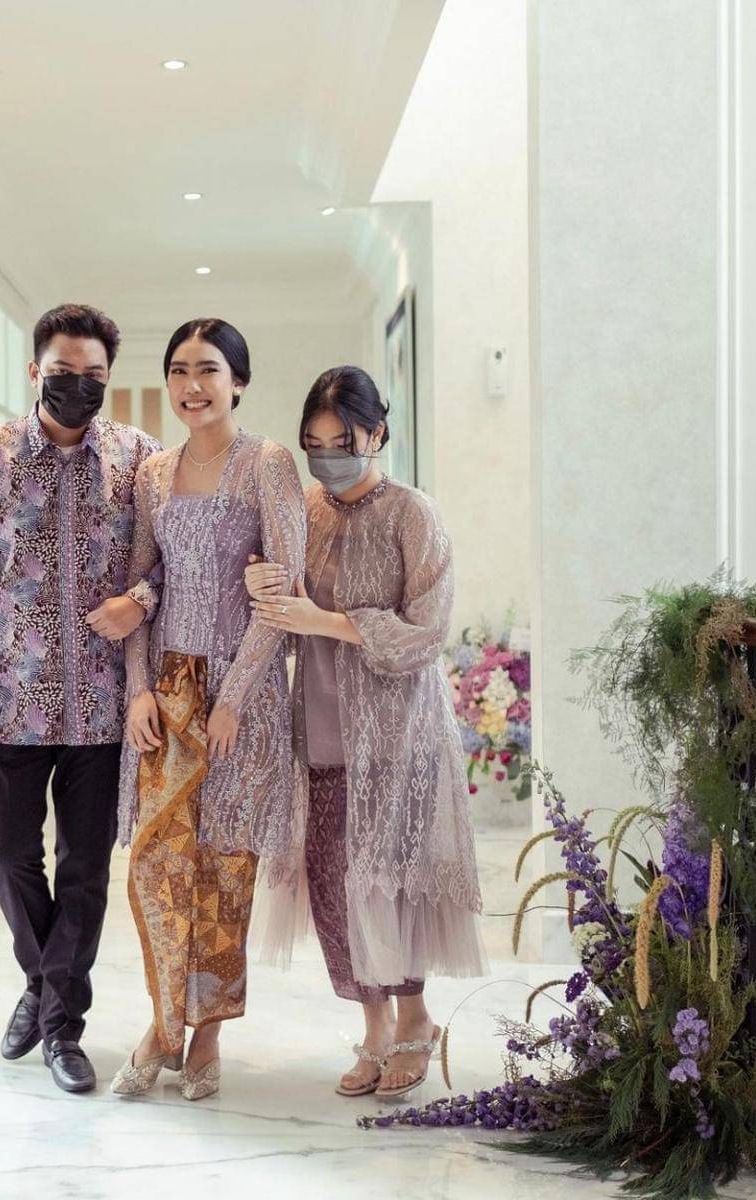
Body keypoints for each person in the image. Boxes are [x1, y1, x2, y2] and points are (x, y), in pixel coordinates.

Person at [0, 304, 162, 1093]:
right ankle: (45, 981)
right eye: (65, 372)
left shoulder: (139, 460)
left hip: (101, 706)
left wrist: (138, 599)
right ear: (35, 372)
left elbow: (171, 560)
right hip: (11, 704)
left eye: (95, 375)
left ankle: (62, 1027)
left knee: (85, 870)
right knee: (6, 855)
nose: (79, 386)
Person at [246, 365, 485, 1100]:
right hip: (318, 727)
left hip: (397, 734)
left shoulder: (413, 514)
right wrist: (262, 586)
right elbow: (277, 606)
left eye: (342, 442)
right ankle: (374, 1025)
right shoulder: (304, 510)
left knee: (390, 881)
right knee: (331, 882)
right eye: (314, 444)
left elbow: (427, 632)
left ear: (377, 433)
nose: (327, 458)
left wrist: (327, 621)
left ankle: (415, 1021)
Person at [112, 318, 306, 1101]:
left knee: (225, 867)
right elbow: (138, 587)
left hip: (242, 701)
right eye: (180, 370)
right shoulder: (153, 475)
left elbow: (283, 591)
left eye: (210, 369)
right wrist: (137, 688)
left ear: (239, 382)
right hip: (167, 690)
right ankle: (163, 1024)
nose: (193, 385)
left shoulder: (269, 464)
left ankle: (207, 1035)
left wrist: (233, 700)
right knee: (158, 863)